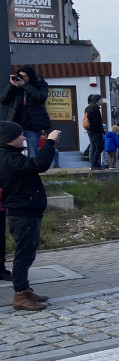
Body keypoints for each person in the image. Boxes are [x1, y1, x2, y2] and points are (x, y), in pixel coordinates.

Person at [0, 121, 59, 310]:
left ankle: (25, 290)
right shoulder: (10, 159)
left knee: (27, 253)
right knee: (23, 256)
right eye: (20, 135)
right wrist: (49, 142)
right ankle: (21, 296)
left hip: (25, 211)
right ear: (9, 139)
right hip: (22, 213)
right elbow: (39, 164)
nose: (24, 137)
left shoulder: (10, 156)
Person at [1, 65, 51, 160]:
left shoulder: (40, 84)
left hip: (32, 125)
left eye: (25, 76)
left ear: (31, 77)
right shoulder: (15, 85)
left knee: (33, 151)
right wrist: (11, 85)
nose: (22, 78)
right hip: (16, 124)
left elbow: (41, 98)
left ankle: (33, 172)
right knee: (13, 150)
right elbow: (3, 100)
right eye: (20, 76)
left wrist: (24, 85)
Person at [84, 94, 105, 170]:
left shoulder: (88, 108)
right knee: (99, 148)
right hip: (95, 131)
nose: (102, 100)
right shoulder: (95, 109)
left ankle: (92, 164)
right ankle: (95, 164)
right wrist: (101, 131)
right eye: (100, 99)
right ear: (97, 100)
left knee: (93, 148)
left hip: (89, 130)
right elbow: (97, 122)